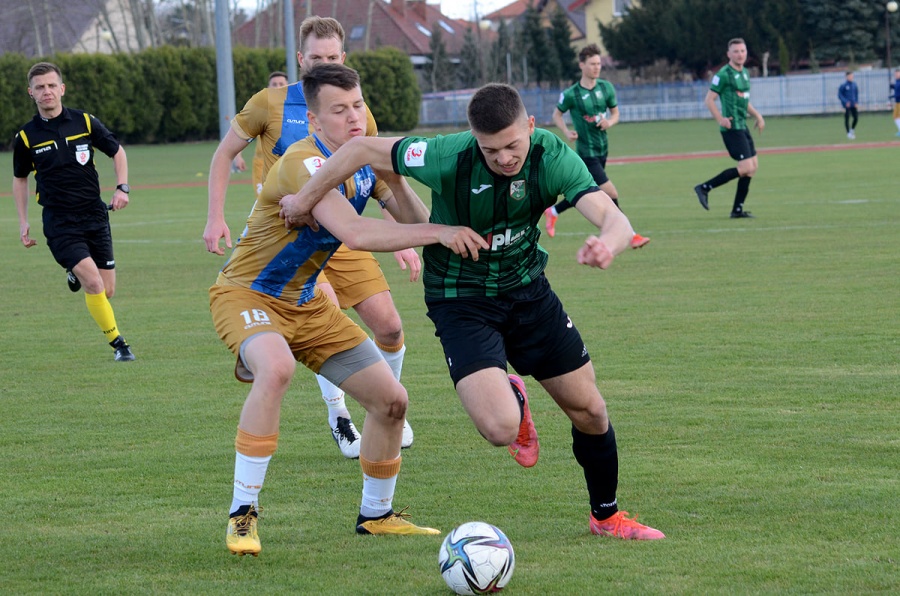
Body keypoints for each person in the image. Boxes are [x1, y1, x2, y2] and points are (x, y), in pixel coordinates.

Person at [281, 83, 666, 541]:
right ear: (472, 138)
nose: (504, 158)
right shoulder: (447, 154)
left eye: (512, 145)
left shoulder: (551, 155)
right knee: (500, 428)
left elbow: (614, 217)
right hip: (459, 299)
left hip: (528, 293)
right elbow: (362, 148)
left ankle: (606, 517)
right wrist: (304, 201)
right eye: (491, 149)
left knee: (591, 411)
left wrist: (609, 242)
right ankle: (515, 400)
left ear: (530, 126)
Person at [212, 63, 486, 555]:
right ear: (315, 122)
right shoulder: (305, 161)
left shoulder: (362, 161)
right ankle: (242, 515)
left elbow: (415, 219)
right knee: (275, 369)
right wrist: (441, 233)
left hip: (308, 306)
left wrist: (393, 178)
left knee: (392, 402)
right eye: (338, 111)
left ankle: (376, 515)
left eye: (358, 106)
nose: (354, 118)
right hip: (248, 295)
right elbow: (356, 234)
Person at [204, 16, 415, 459]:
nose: (322, 66)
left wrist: (407, 237)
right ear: (301, 60)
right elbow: (225, 153)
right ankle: (339, 414)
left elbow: (375, 177)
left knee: (390, 325)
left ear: (344, 58)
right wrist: (215, 216)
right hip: (290, 234)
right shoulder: (269, 103)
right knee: (318, 312)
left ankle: (386, 402)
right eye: (315, 59)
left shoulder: (356, 112)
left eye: (332, 58)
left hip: (343, 232)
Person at [12, 61, 135, 362]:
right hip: (60, 221)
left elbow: (117, 151)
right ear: (31, 93)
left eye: (52, 85)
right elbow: (20, 179)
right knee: (92, 282)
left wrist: (122, 187)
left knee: (106, 291)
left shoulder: (85, 122)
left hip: (94, 215)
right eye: (40, 87)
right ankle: (120, 345)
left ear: (62, 89)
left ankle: (73, 270)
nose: (47, 92)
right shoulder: (26, 137)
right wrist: (24, 221)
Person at [544, 44, 649, 249]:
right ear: (581, 65)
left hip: (603, 148)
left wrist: (610, 122)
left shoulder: (606, 88)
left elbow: (616, 113)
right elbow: (556, 114)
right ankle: (629, 235)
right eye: (592, 64)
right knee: (610, 192)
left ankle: (553, 211)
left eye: (599, 63)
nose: (596, 67)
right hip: (586, 151)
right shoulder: (571, 93)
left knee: (588, 190)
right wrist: (566, 131)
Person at [693, 38, 765, 218]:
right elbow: (709, 100)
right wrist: (720, 119)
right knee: (746, 166)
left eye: (742, 51)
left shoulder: (746, 73)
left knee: (753, 167)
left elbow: (744, 100)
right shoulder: (723, 74)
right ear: (729, 54)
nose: (740, 54)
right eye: (736, 51)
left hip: (743, 125)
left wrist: (757, 115)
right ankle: (704, 187)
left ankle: (737, 210)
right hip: (732, 127)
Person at [232, 71, 290, 183]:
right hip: (262, 166)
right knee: (263, 200)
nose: (278, 87)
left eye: (281, 84)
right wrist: (238, 157)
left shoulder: (296, 109)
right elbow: (241, 133)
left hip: (288, 165)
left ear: (288, 85)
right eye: (274, 84)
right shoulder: (261, 109)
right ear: (268, 87)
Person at [838, 71, 859, 139]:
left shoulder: (854, 85)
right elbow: (840, 95)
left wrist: (856, 102)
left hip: (853, 105)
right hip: (846, 105)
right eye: (850, 76)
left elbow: (856, 94)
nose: (851, 77)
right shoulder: (843, 85)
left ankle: (852, 129)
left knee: (856, 118)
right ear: (847, 77)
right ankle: (848, 133)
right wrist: (845, 102)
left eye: (852, 76)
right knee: (847, 119)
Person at [892, 69, 900, 136]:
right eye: (896, 74)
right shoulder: (897, 82)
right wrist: (893, 87)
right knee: (895, 116)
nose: (896, 75)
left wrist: (894, 95)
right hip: (897, 102)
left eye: (898, 73)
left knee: (897, 116)